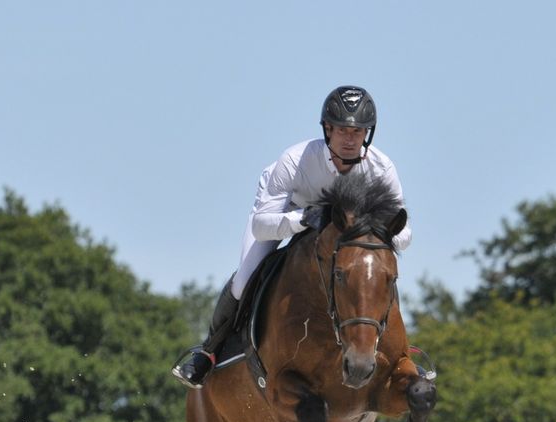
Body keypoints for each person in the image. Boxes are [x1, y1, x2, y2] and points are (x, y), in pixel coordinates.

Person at [171, 85, 412, 388]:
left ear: (368, 133)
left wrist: (383, 236)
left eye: (358, 131)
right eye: (342, 130)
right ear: (327, 129)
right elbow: (261, 226)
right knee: (245, 277)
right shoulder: (295, 160)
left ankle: (399, 350)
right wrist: (303, 219)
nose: (350, 139)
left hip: (348, 235)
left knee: (375, 274)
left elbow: (404, 235)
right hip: (286, 213)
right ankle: (208, 354)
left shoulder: (381, 168)